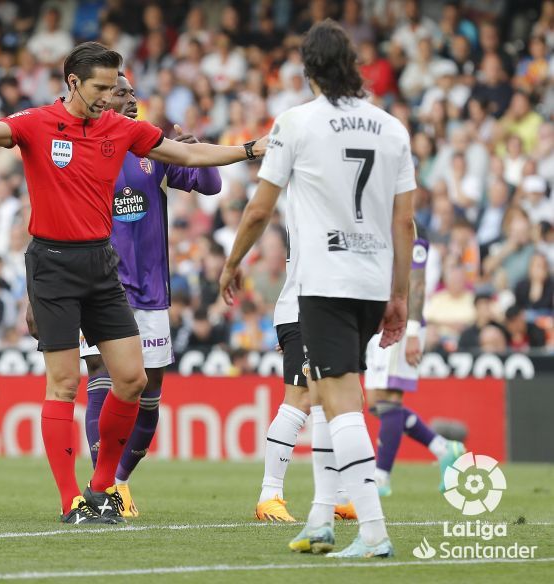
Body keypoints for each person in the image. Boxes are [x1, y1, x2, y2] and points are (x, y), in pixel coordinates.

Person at [0, 41, 264, 525]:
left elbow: (186, 155)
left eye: (115, 86)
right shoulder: (37, 122)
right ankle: (70, 499)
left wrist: (248, 150)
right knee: (65, 382)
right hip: (52, 263)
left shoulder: (120, 127)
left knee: (131, 379)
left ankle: (101, 489)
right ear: (73, 83)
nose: (111, 95)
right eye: (102, 87)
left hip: (101, 264)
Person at [220, 20, 415, 558]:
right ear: (353, 65)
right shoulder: (392, 128)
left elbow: (260, 207)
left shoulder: (296, 123)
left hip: (325, 280)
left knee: (340, 402)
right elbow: (406, 226)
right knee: (331, 402)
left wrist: (233, 261)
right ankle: (321, 519)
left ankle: (373, 533)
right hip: (373, 281)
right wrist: (400, 296)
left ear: (308, 71)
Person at [75, 73, 221, 517]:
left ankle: (119, 484)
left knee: (149, 389)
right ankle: (100, 487)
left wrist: (199, 156)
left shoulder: (150, 146)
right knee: (103, 373)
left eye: (133, 92)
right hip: (100, 286)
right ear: (102, 98)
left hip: (151, 289)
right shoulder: (83, 145)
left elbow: (211, 186)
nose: (132, 98)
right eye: (121, 92)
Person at [251, 207, 357, 524]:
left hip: (327, 310)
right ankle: (269, 495)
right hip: (308, 307)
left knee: (347, 399)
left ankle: (339, 496)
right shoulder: (316, 192)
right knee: (300, 399)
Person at [364, 223, 465, 497]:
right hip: (381, 323)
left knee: (390, 402)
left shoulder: (411, 235)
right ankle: (444, 448)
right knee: (375, 404)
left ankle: (381, 476)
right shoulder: (383, 231)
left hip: (403, 324)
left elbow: (417, 285)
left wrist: (412, 333)